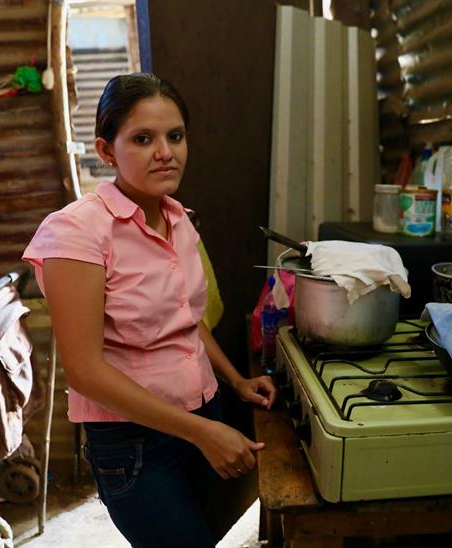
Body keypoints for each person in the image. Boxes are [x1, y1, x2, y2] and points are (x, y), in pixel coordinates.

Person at [22, 73, 276, 548]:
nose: (166, 152)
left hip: (205, 411)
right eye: (143, 139)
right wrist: (203, 433)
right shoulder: (76, 233)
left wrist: (235, 381)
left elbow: (188, 320)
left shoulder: (178, 218)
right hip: (134, 445)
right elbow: (85, 372)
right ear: (106, 150)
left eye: (175, 136)